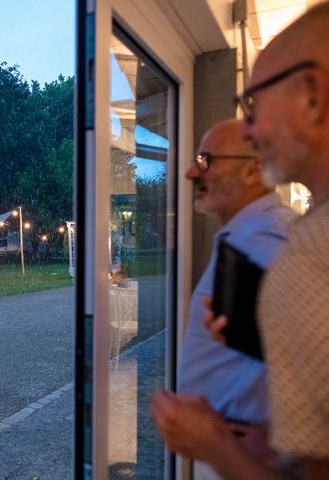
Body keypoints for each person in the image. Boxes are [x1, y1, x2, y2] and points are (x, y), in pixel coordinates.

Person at [151, 4, 329, 479]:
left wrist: (214, 445)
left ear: (312, 96)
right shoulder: (283, 235)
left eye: (253, 105)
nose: (190, 172)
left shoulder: (293, 246)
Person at [177, 119, 295, 480]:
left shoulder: (263, 241)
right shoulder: (250, 235)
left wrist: (278, 439)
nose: (191, 172)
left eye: (205, 160)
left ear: (252, 170)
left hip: (245, 459)